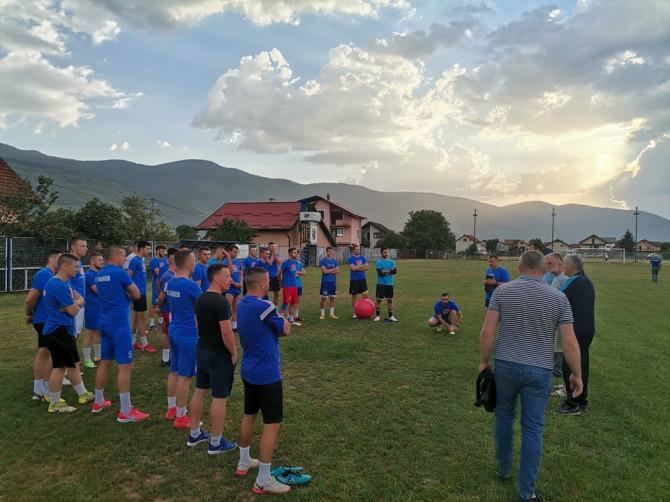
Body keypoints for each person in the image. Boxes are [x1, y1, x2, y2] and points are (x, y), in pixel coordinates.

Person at [479, 250, 583, 502]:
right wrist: (577, 374)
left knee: (504, 417)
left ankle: (504, 469)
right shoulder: (558, 298)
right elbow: (570, 343)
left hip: (505, 366)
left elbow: (487, 332)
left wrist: (484, 361)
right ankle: (527, 491)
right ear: (544, 269)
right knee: (533, 428)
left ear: (519, 268)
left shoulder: (502, 292)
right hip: (539, 369)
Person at [235, 267, 291, 495]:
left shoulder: (241, 303)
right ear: (261, 284)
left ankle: (244, 461)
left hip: (249, 370)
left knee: (249, 414)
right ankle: (264, 479)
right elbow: (284, 330)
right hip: (267, 374)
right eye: (268, 281)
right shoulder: (265, 306)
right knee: (272, 423)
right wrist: (285, 321)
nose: (270, 283)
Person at [187, 264, 239, 454]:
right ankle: (216, 443)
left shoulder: (200, 299)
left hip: (202, 349)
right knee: (219, 397)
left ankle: (194, 433)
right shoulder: (221, 302)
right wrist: (233, 352)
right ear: (216, 278)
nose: (230, 280)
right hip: (218, 354)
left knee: (200, 391)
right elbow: (226, 332)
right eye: (227, 276)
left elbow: (197, 325)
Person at [94, 245, 149, 422]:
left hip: (104, 321)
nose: (125, 259)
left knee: (105, 362)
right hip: (119, 324)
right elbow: (136, 294)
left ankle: (98, 401)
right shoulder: (120, 273)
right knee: (125, 365)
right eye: (124, 255)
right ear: (115, 256)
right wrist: (128, 295)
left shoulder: (99, 274)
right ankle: (126, 411)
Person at [42, 253, 94, 412]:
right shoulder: (58, 285)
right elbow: (73, 311)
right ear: (64, 266)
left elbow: (78, 301)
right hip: (59, 329)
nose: (78, 270)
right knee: (60, 366)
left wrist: (76, 302)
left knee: (73, 363)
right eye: (75, 266)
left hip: (63, 329)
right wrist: (77, 303)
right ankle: (55, 403)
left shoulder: (64, 283)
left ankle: (83, 394)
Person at [165, 249, 202, 428]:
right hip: (188, 333)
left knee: (174, 371)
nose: (195, 264)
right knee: (185, 376)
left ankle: (171, 408)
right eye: (193, 261)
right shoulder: (191, 285)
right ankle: (181, 416)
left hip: (174, 331)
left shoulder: (171, 282)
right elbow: (202, 308)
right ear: (188, 263)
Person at [556, 254, 596, 415]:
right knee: (581, 365)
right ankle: (581, 399)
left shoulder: (577, 281)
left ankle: (573, 403)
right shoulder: (583, 280)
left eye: (565, 264)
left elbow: (557, 298)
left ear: (572, 266)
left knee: (571, 366)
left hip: (578, 331)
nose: (563, 267)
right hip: (585, 330)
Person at [25, 249, 62, 402]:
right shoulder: (44, 274)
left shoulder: (52, 275)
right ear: (51, 260)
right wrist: (28, 314)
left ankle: (38, 390)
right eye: (60, 259)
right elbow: (30, 299)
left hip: (46, 319)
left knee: (44, 352)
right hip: (45, 320)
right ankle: (47, 392)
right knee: (53, 354)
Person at [545, 253, 568, 383]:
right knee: (555, 346)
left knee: (559, 347)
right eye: (546, 263)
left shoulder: (563, 278)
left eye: (549, 263)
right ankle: (558, 371)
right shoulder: (557, 277)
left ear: (559, 264)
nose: (546, 266)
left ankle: (559, 372)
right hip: (554, 318)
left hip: (559, 319)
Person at [128, 240, 155, 352]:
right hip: (137, 294)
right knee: (141, 318)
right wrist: (130, 294)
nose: (149, 251)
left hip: (142, 293)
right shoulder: (135, 260)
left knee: (135, 318)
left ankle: (132, 342)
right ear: (141, 248)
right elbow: (128, 277)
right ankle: (145, 344)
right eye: (147, 249)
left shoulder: (141, 260)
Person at [155, 247, 178, 367]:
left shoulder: (171, 275)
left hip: (169, 309)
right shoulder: (169, 276)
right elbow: (162, 294)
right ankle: (168, 358)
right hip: (169, 309)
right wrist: (159, 307)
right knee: (171, 333)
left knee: (168, 333)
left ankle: (166, 358)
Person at [82, 251, 104, 368]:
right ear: (92, 261)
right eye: (99, 260)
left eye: (102, 260)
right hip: (92, 307)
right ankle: (87, 360)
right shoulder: (90, 275)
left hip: (99, 306)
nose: (102, 262)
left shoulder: (98, 274)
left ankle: (98, 355)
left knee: (98, 331)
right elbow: (98, 291)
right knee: (90, 333)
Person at [68, 237, 88, 340]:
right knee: (72, 335)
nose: (86, 249)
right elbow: (67, 282)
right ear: (73, 247)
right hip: (74, 303)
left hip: (81, 304)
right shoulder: (70, 262)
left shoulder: (79, 262)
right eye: (82, 246)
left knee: (77, 334)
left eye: (86, 246)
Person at [373, 248, 398, 322]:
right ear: (381, 253)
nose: (386, 253)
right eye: (384, 252)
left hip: (389, 284)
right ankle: (378, 316)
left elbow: (395, 271)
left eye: (387, 252)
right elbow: (380, 273)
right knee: (379, 300)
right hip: (380, 284)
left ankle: (390, 316)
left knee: (390, 300)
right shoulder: (378, 262)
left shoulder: (392, 262)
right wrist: (390, 271)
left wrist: (385, 271)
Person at [279, 247, 301, 325]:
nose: (296, 254)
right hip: (287, 286)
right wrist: (280, 282)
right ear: (290, 253)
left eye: (296, 252)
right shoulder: (286, 263)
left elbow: (294, 273)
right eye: (294, 252)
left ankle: (291, 320)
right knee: (285, 303)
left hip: (294, 285)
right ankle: (280, 320)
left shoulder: (295, 262)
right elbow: (279, 273)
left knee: (293, 302)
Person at [223, 245, 243, 330]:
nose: (235, 254)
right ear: (229, 252)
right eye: (234, 252)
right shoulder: (225, 262)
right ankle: (226, 326)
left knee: (236, 308)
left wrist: (241, 282)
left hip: (238, 288)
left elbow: (241, 272)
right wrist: (234, 283)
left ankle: (234, 326)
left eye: (237, 252)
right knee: (227, 308)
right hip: (230, 288)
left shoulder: (238, 262)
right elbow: (228, 274)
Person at [149, 244, 168, 332]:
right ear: (157, 251)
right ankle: (151, 324)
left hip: (163, 284)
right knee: (154, 304)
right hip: (156, 284)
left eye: (165, 251)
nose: (164, 253)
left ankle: (161, 320)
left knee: (162, 302)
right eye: (162, 251)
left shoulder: (164, 260)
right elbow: (158, 273)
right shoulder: (154, 261)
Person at [348, 244, 369, 317]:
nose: (358, 251)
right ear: (354, 250)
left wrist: (357, 268)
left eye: (359, 249)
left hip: (363, 279)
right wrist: (362, 266)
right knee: (354, 297)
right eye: (357, 249)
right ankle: (355, 312)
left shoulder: (363, 258)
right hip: (354, 280)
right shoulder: (350, 258)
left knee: (365, 296)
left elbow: (367, 268)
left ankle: (366, 310)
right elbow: (353, 268)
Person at [319, 246, 339, 319]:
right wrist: (333, 270)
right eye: (330, 251)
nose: (331, 252)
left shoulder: (334, 261)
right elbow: (324, 271)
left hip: (333, 282)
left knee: (332, 298)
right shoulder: (323, 261)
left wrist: (329, 271)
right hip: (325, 282)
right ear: (326, 252)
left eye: (332, 251)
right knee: (323, 298)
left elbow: (337, 271)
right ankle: (322, 314)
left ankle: (332, 314)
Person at [294, 256, 306, 321]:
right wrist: (300, 273)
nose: (297, 255)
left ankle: (296, 316)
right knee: (291, 301)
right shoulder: (290, 263)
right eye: (295, 253)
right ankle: (290, 316)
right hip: (292, 285)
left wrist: (298, 272)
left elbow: (304, 273)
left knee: (298, 301)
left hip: (299, 284)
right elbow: (293, 274)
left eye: (298, 253)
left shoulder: (299, 263)